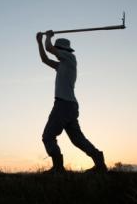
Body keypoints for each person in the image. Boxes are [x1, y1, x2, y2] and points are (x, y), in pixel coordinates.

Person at [36, 30, 107, 173]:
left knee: (48, 136)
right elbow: (45, 59)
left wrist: (48, 37)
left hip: (63, 104)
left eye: (58, 50)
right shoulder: (62, 65)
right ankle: (99, 162)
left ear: (62, 50)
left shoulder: (69, 58)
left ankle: (58, 167)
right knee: (77, 139)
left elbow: (49, 48)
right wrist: (39, 42)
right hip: (69, 105)